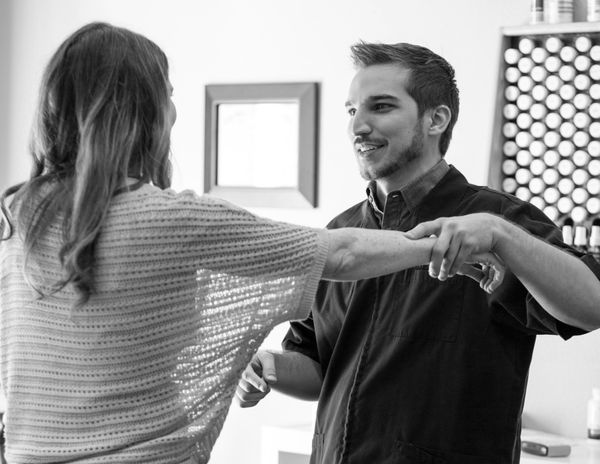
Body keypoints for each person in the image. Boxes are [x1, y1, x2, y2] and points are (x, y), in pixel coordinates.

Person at [0, 25, 505, 464]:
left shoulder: (16, 217)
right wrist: (456, 242)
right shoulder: (173, 220)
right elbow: (343, 253)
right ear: (141, 111)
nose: (173, 112)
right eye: (167, 94)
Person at [236, 41, 600, 463]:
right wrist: (269, 365)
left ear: (436, 119)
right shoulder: (340, 234)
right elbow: (320, 365)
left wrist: (501, 235)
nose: (359, 126)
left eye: (381, 107)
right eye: (352, 110)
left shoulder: (498, 220)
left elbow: (591, 304)